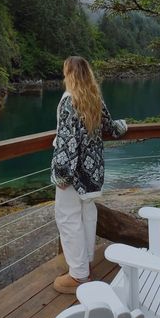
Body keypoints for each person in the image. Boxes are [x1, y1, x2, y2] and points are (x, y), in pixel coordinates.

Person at [51, 56, 127, 294]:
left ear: (70, 75)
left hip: (73, 173)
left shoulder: (68, 101)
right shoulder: (95, 98)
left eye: (65, 73)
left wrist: (61, 175)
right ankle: (84, 265)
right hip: (93, 171)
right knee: (86, 214)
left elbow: (67, 142)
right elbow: (110, 127)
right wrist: (123, 126)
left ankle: (78, 276)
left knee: (67, 217)